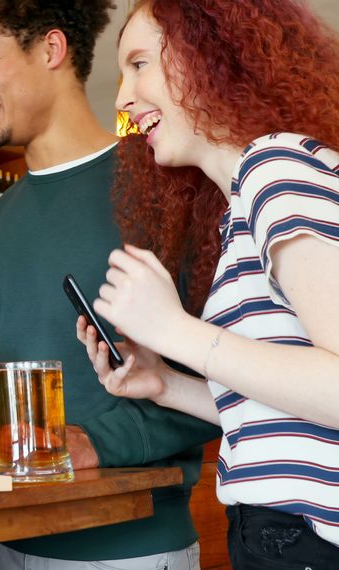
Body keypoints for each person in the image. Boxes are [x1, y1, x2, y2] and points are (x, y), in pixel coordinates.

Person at [0, 1, 220, 568]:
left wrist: (91, 442)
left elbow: (222, 375)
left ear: (51, 50)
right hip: (4, 544)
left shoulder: (169, 183)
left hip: (130, 545)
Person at [78, 0, 339, 567]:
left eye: (140, 63)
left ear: (211, 55)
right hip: (281, 535)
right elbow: (284, 415)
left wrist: (175, 331)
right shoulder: (244, 203)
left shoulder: (277, 170)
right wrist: (164, 383)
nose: (122, 99)